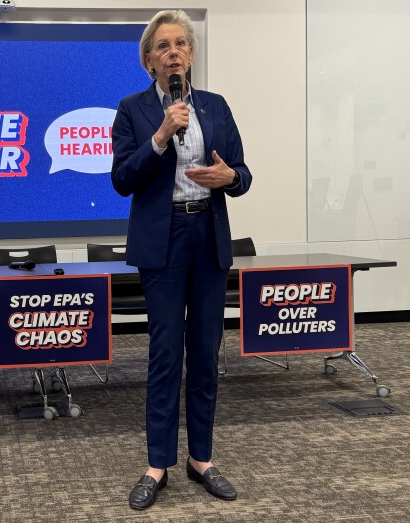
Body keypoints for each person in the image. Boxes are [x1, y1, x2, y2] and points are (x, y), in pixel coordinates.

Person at [110, 9, 253, 510]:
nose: (174, 52)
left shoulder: (215, 106)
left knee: (207, 353)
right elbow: (123, 178)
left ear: (190, 55)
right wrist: (160, 136)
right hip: (164, 240)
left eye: (181, 44)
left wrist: (229, 179)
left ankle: (202, 459)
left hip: (207, 235)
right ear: (150, 60)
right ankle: (157, 464)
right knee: (166, 354)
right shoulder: (132, 110)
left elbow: (243, 173)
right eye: (164, 46)